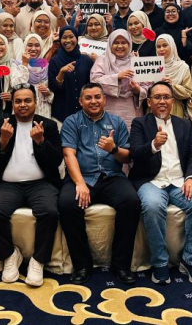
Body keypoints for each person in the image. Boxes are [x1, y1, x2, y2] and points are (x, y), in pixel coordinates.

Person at [58, 83, 140, 285]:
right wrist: (80, 183)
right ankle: (82, 265)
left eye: (97, 97)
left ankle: (121, 265)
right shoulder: (71, 122)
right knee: (67, 204)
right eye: (88, 98)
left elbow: (127, 157)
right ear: (81, 101)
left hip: (112, 177)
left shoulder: (117, 122)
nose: (93, 101)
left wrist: (113, 149)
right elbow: (69, 154)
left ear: (104, 99)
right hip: (82, 177)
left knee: (131, 202)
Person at [129, 82, 192, 285]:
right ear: (149, 102)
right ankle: (160, 262)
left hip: (179, 181)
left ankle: (191, 260)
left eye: (166, 97)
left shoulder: (184, 124)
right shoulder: (139, 123)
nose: (162, 101)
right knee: (153, 205)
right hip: (151, 180)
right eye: (157, 97)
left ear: (172, 101)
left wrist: (191, 178)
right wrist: (153, 145)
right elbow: (135, 154)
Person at [0, 85, 62, 287]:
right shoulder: (2, 125)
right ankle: (9, 255)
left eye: (27, 100)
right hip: (8, 185)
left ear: (36, 102)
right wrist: (3, 141)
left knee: (49, 212)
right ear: (12, 104)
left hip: (41, 184)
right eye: (18, 101)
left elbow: (56, 160)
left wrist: (41, 141)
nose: (23, 105)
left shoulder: (48, 125)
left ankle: (38, 260)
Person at [90, 29, 149, 129]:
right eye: (116, 43)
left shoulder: (136, 61)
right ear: (110, 44)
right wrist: (117, 77)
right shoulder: (102, 60)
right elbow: (95, 81)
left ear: (129, 44)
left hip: (131, 109)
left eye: (123, 43)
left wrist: (137, 90)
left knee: (130, 134)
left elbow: (147, 85)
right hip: (109, 107)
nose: (120, 46)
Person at [48, 26, 94, 124]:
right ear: (60, 40)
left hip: (85, 115)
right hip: (61, 116)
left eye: (71, 37)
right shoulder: (54, 61)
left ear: (76, 38)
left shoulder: (86, 60)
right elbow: (53, 88)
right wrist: (61, 72)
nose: (68, 40)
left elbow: (91, 85)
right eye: (64, 37)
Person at [155, 34, 192, 117]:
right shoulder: (152, 67)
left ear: (172, 46)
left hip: (175, 109)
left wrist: (172, 86)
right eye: (158, 46)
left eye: (165, 45)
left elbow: (188, 92)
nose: (161, 49)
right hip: (155, 108)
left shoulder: (182, 67)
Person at [16, 34, 53, 118]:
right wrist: (24, 64)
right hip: (24, 108)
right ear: (24, 46)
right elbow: (17, 85)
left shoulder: (46, 65)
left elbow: (52, 92)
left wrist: (48, 92)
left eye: (37, 45)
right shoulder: (17, 64)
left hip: (43, 109)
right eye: (29, 45)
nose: (33, 49)